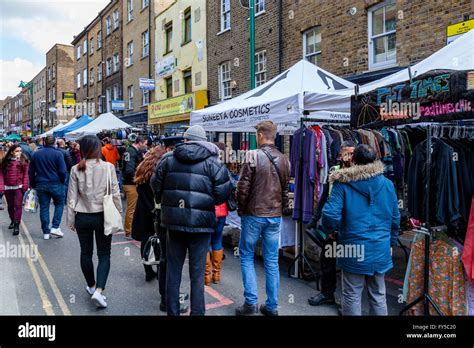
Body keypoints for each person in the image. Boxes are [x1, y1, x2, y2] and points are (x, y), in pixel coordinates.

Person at [151, 125, 232, 316]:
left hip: (173, 223)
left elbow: (155, 185)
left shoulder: (168, 159)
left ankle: (173, 311)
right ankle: (197, 313)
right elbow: (222, 195)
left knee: (173, 271)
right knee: (196, 274)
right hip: (201, 225)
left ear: (185, 140)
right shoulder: (214, 163)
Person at [320, 144, 400, 316]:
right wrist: (391, 242)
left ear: (353, 160)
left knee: (351, 295)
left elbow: (329, 215)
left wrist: (327, 231)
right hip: (380, 247)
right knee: (378, 295)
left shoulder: (343, 184)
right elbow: (395, 218)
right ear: (375, 160)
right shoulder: (387, 184)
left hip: (352, 247)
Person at [235, 121, 290, 316]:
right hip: (274, 216)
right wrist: (281, 210)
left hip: (254, 214)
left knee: (247, 256)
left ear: (260, 135)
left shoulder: (253, 155)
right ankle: (272, 306)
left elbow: (242, 189)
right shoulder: (284, 159)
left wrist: (241, 210)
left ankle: (250, 303)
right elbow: (285, 191)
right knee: (272, 260)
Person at [67, 135, 122, 309]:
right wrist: (118, 213)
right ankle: (99, 290)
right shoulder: (108, 167)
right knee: (104, 254)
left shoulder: (76, 169)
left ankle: (91, 286)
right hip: (103, 216)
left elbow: (71, 198)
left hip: (82, 216)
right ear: (98, 148)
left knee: (86, 253)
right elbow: (115, 193)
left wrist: (70, 219)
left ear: (82, 149)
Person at [306, 141, 355, 307]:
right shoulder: (334, 171)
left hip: (350, 226)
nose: (348, 157)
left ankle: (348, 302)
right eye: (346, 153)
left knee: (348, 264)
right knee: (327, 260)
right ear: (340, 155)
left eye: (352, 153)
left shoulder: (359, 173)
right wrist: (315, 218)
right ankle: (327, 294)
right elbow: (324, 196)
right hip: (332, 225)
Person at [132, 146, 167, 282]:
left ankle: (148, 270)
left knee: (145, 241)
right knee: (159, 241)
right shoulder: (159, 171)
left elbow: (139, 188)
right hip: (156, 210)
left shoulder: (143, 168)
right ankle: (159, 270)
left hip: (142, 210)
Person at [29, 135, 67, 240]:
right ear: (54, 142)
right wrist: (62, 181)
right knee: (59, 204)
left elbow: (31, 172)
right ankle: (55, 227)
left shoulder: (36, 154)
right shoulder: (58, 154)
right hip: (56, 183)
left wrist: (33, 184)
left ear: (44, 142)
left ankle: (46, 232)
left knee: (44, 207)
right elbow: (63, 171)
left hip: (40, 184)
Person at [205, 142, 232, 286]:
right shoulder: (224, 169)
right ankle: (216, 275)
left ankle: (206, 276)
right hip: (221, 211)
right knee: (217, 240)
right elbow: (230, 188)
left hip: (208, 210)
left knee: (206, 241)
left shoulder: (205, 167)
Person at [0, 145, 29, 235]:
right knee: (10, 206)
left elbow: (26, 174)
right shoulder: (5, 161)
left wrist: (25, 186)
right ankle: (13, 220)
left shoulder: (24, 161)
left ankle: (17, 224)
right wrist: (1, 186)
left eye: (20, 151)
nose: (19, 152)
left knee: (18, 206)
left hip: (18, 188)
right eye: (17, 151)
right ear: (12, 152)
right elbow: (1, 175)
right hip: (8, 188)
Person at [122, 136, 147, 238]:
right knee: (132, 208)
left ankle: (131, 229)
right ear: (140, 143)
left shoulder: (133, 151)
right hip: (130, 184)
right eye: (145, 144)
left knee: (133, 208)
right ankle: (129, 231)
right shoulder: (130, 151)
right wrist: (139, 178)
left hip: (131, 183)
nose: (146, 146)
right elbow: (129, 170)